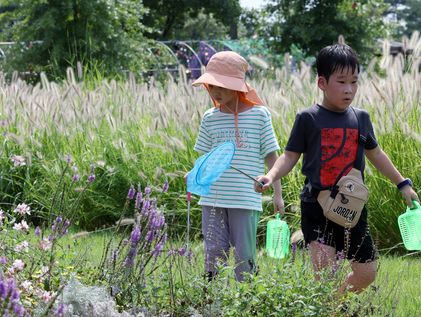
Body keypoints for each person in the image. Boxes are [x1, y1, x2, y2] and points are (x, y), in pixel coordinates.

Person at [255, 43, 419, 293]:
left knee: (367, 273)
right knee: (325, 272)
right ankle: (328, 307)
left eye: (354, 82)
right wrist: (270, 176)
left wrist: (402, 183)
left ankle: (333, 305)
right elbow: (289, 156)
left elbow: (376, 153)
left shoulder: (361, 118)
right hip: (316, 205)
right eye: (341, 82)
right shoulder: (307, 118)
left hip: (352, 205)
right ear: (322, 83)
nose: (349, 89)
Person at [190, 51, 283, 282]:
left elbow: (272, 157)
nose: (215, 91)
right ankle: (213, 300)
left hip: (245, 198)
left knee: (245, 255)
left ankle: (246, 300)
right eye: (211, 86)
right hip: (212, 198)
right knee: (213, 253)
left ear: (239, 86)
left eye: (221, 86)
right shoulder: (209, 118)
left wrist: (277, 195)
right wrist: (193, 175)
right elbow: (204, 159)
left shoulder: (260, 115)